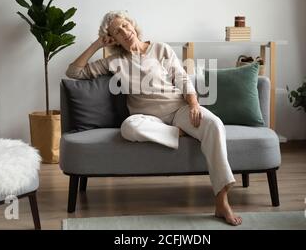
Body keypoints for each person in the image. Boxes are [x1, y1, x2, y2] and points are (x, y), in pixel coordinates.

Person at [66, 11, 242, 226]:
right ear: (113, 39)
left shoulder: (160, 49)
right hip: (147, 118)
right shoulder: (113, 62)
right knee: (128, 127)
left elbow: (182, 78)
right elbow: (74, 72)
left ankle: (221, 201)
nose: (124, 32)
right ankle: (180, 133)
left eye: (124, 26)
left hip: (178, 109)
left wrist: (194, 104)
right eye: (117, 32)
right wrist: (96, 45)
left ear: (132, 25)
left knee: (214, 123)